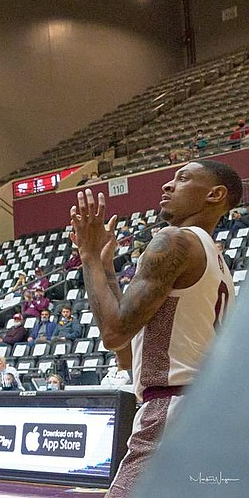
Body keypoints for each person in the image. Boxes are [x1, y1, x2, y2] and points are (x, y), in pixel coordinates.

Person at [69, 160, 240, 498]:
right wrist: (106, 270)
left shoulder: (175, 241)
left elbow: (113, 332)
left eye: (183, 178)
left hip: (173, 412)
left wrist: (88, 255)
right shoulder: (218, 264)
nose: (167, 185)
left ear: (215, 194)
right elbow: (125, 353)